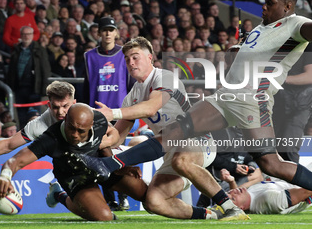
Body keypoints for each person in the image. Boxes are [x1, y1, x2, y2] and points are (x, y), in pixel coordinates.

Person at [80, 0, 312, 198]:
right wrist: (235, 53)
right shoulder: (263, 27)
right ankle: (107, 165)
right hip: (226, 96)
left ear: (287, 6)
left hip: (253, 100)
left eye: (270, 3)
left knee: (271, 164)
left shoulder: (296, 24)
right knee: (174, 131)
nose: (264, 6)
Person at [68, 37, 248, 221]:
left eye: (135, 57)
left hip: (198, 140)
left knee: (181, 161)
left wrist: (112, 113)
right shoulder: (132, 96)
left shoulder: (165, 77)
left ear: (150, 58)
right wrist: (92, 142)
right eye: (127, 59)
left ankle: (230, 207)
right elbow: (118, 136)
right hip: (170, 150)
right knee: (153, 201)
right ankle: (211, 215)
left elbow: (151, 107)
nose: (131, 62)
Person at [0, 103, 147, 221]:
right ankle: (60, 194)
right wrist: (5, 177)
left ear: (91, 125)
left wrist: (117, 165)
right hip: (75, 178)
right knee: (104, 217)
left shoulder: (99, 120)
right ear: (65, 119)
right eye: (71, 128)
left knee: (145, 194)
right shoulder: (50, 139)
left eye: (81, 131)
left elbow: (109, 136)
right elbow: (16, 160)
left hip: (102, 166)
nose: (74, 135)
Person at [82, 16, 135, 210]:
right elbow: (86, 89)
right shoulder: (89, 56)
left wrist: (131, 112)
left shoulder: (125, 55)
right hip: (96, 116)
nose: (107, 33)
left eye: (111, 30)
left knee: (115, 154)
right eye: (104, 30)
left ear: (116, 32)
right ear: (98, 32)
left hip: (119, 114)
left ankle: (122, 195)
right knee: (100, 156)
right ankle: (112, 198)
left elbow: (130, 86)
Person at [0, 81, 75, 166]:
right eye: (56, 107)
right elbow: (8, 145)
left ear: (74, 103)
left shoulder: (88, 116)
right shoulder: (39, 125)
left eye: (65, 106)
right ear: (49, 105)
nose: (61, 112)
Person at [272, 42, 312, 163]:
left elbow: (309, 76)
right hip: (276, 101)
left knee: (289, 146)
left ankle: (294, 180)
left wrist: (281, 79)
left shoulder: (307, 46)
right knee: (272, 146)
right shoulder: (276, 44)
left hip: (299, 103)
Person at [7, 26, 51, 128]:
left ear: (32, 35)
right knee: (21, 118)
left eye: (28, 34)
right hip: (19, 89)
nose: (26, 37)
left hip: (34, 89)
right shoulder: (16, 50)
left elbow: (46, 70)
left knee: (34, 117)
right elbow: (11, 70)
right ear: (21, 36)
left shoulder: (40, 50)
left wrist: (44, 89)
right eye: (24, 34)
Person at [221, 167, 312, 214]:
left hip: (294, 179)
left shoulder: (248, 194)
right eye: (233, 198)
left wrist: (231, 181)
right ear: (241, 208)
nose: (233, 192)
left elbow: (232, 198)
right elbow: (306, 191)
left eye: (229, 192)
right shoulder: (268, 200)